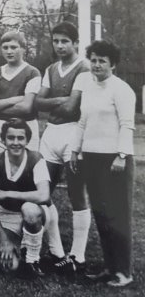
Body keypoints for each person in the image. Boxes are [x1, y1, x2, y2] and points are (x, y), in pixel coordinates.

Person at [70, 40, 136, 287]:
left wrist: (121, 155)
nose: (96, 65)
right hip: (91, 158)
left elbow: (127, 124)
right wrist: (75, 150)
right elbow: (82, 123)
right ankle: (110, 267)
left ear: (113, 64)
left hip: (115, 160)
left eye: (102, 61)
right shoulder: (89, 88)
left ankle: (124, 272)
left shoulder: (122, 90)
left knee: (118, 216)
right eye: (93, 60)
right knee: (101, 215)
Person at [34, 22, 90, 273]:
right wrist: (58, 100)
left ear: (75, 43)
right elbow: (37, 103)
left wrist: (51, 102)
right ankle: (56, 251)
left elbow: (71, 109)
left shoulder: (84, 67)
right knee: (43, 192)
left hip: (74, 132)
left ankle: (77, 256)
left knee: (77, 195)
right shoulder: (50, 68)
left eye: (65, 41)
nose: (59, 46)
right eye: (56, 41)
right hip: (52, 133)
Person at [0, 118, 52, 279]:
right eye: (11, 138)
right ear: (3, 140)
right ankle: (20, 246)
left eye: (20, 138)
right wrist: (4, 239)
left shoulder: (36, 159)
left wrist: (8, 193)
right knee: (9, 266)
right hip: (7, 214)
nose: (15, 143)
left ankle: (32, 259)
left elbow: (44, 195)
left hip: (36, 213)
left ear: (27, 140)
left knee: (29, 209)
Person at [0, 31, 41, 154]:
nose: (9, 51)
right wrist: (14, 100)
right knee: (0, 165)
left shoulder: (32, 72)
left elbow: (25, 107)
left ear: (23, 49)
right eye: (5, 48)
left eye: (14, 47)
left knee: (27, 165)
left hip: (25, 126)